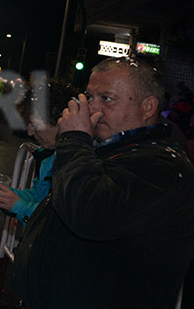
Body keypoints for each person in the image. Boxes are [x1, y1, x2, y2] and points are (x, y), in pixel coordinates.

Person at [12, 57, 194, 308]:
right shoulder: (111, 149)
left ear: (148, 107)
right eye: (89, 97)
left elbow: (89, 212)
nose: (92, 109)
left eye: (106, 98)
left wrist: (75, 139)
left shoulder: (164, 168)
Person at [0, 79, 76, 223]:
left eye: (34, 125)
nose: (30, 132)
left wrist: (16, 205)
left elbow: (58, 224)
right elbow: (39, 197)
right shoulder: (50, 156)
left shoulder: (77, 164)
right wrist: (4, 198)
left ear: (60, 123)